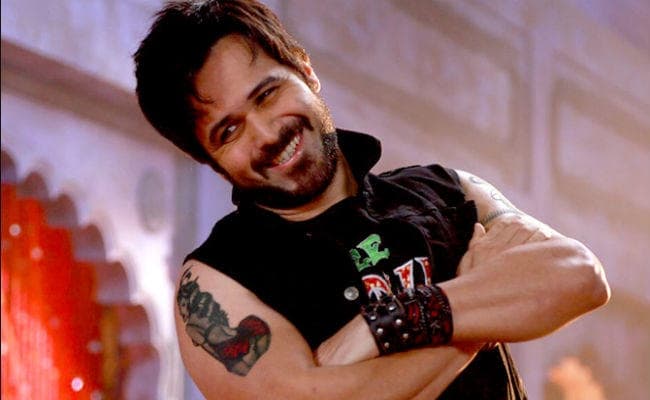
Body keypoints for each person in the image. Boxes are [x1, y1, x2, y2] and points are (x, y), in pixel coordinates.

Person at [133, 1, 610, 398]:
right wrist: (484, 313)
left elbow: (580, 277)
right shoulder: (217, 279)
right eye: (229, 131)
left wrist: (383, 324)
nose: (267, 134)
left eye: (268, 94)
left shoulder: (446, 189)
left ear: (306, 71)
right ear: (207, 158)